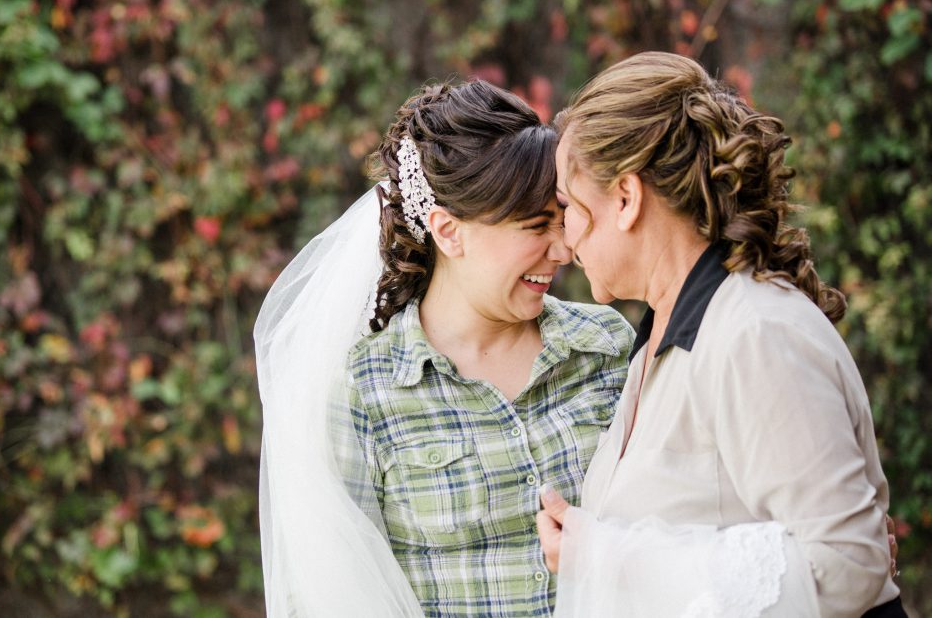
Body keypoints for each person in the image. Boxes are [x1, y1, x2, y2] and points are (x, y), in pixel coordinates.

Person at [537, 51, 905, 617]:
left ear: (627, 199)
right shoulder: (655, 343)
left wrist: (606, 553)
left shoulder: (755, 333)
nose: (564, 240)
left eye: (569, 206)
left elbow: (849, 563)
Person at [255, 80, 633, 617]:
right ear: (449, 232)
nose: (564, 248)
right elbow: (327, 594)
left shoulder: (606, 345)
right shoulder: (365, 390)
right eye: (534, 226)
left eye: (563, 218)